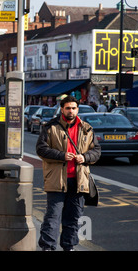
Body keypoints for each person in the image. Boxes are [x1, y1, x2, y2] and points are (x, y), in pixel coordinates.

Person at [36, 95, 101, 251]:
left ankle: (69, 246)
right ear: (62, 109)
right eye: (67, 108)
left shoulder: (86, 128)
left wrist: (84, 157)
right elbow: (41, 149)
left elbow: (96, 151)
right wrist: (61, 155)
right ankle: (48, 247)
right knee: (53, 217)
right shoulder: (50, 127)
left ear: (77, 109)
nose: (71, 111)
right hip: (57, 180)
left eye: (73, 108)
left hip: (79, 182)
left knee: (73, 218)